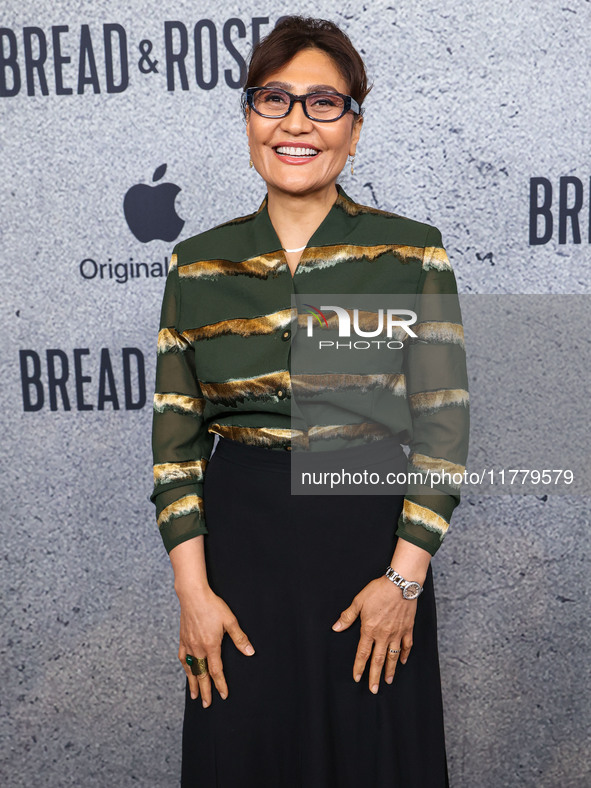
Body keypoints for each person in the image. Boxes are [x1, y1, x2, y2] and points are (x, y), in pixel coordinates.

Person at [150, 15, 469, 788]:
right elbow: (176, 449)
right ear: (250, 120)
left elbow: (442, 431)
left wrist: (402, 584)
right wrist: (193, 595)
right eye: (274, 99)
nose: (297, 122)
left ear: (353, 130)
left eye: (324, 103)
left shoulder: (407, 253)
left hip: (369, 549)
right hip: (239, 563)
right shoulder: (197, 265)